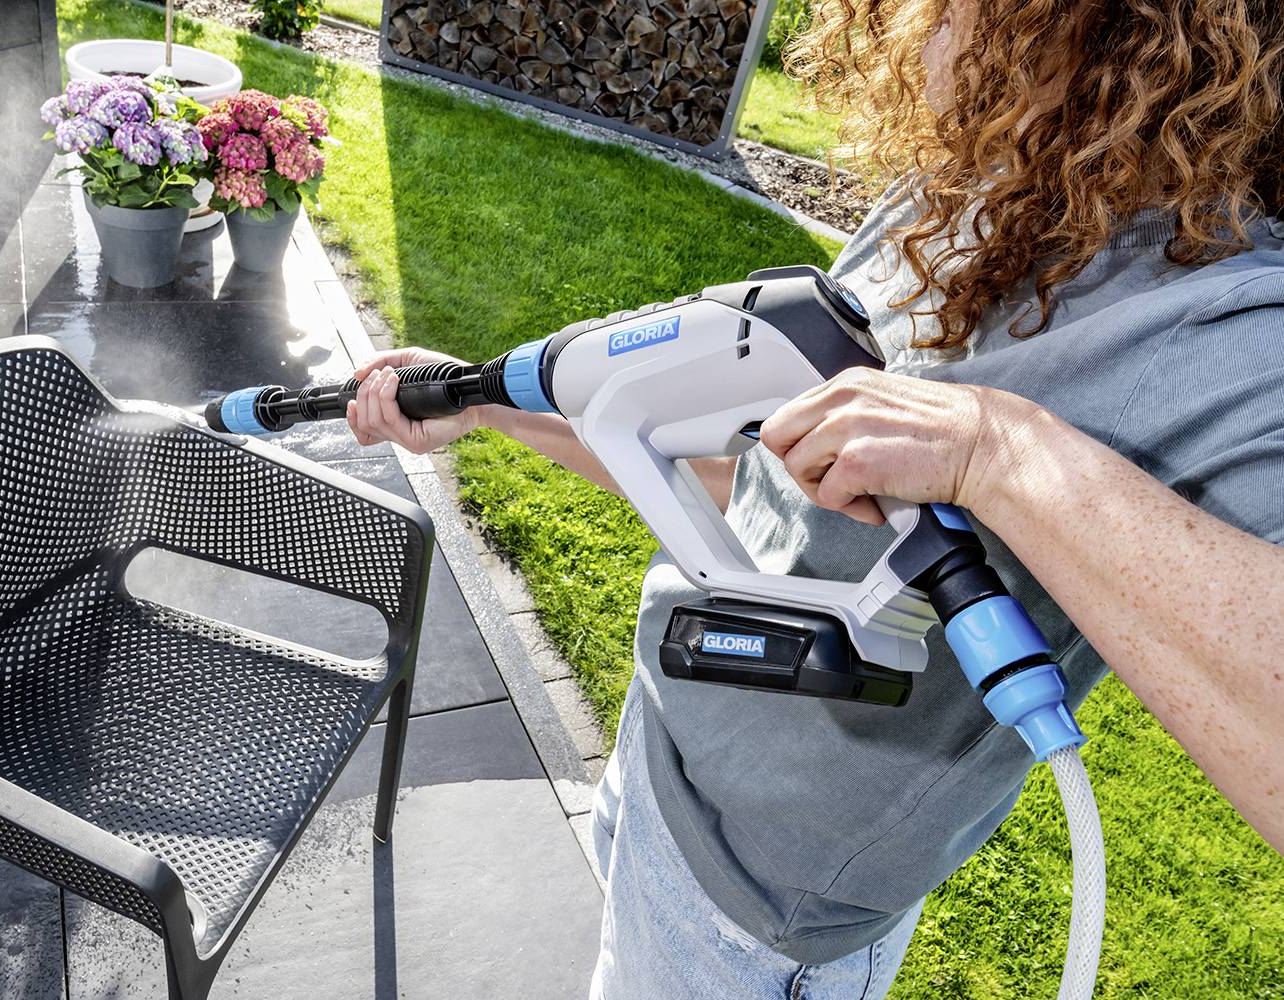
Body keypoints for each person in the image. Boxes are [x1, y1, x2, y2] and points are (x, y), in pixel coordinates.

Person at [345, 0, 1284, 995]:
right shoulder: (969, 194)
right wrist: (481, 405)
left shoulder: (1230, 330)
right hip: (664, 765)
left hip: (757, 915)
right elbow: (761, 477)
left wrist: (999, 451)